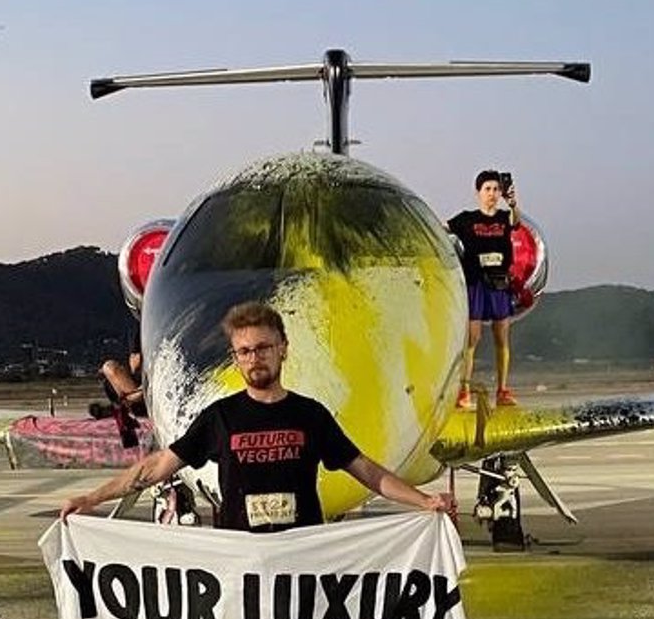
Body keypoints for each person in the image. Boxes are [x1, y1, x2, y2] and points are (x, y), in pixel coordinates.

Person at [60, 302, 453, 530]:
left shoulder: (309, 415)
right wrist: (91, 498)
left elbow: (367, 471)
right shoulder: (220, 417)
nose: (255, 357)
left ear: (283, 349)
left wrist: (423, 501)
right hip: (241, 562)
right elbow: (155, 468)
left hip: (302, 560)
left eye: (264, 347)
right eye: (245, 351)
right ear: (235, 358)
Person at [446, 169, 523, 408]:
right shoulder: (466, 219)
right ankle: (464, 390)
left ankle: (502, 390)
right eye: (487, 189)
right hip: (474, 283)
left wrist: (513, 203)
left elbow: (516, 221)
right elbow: (442, 227)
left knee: (502, 336)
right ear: (478, 192)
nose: (491, 194)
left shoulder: (503, 217)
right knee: (472, 338)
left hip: (498, 282)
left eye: (495, 189)